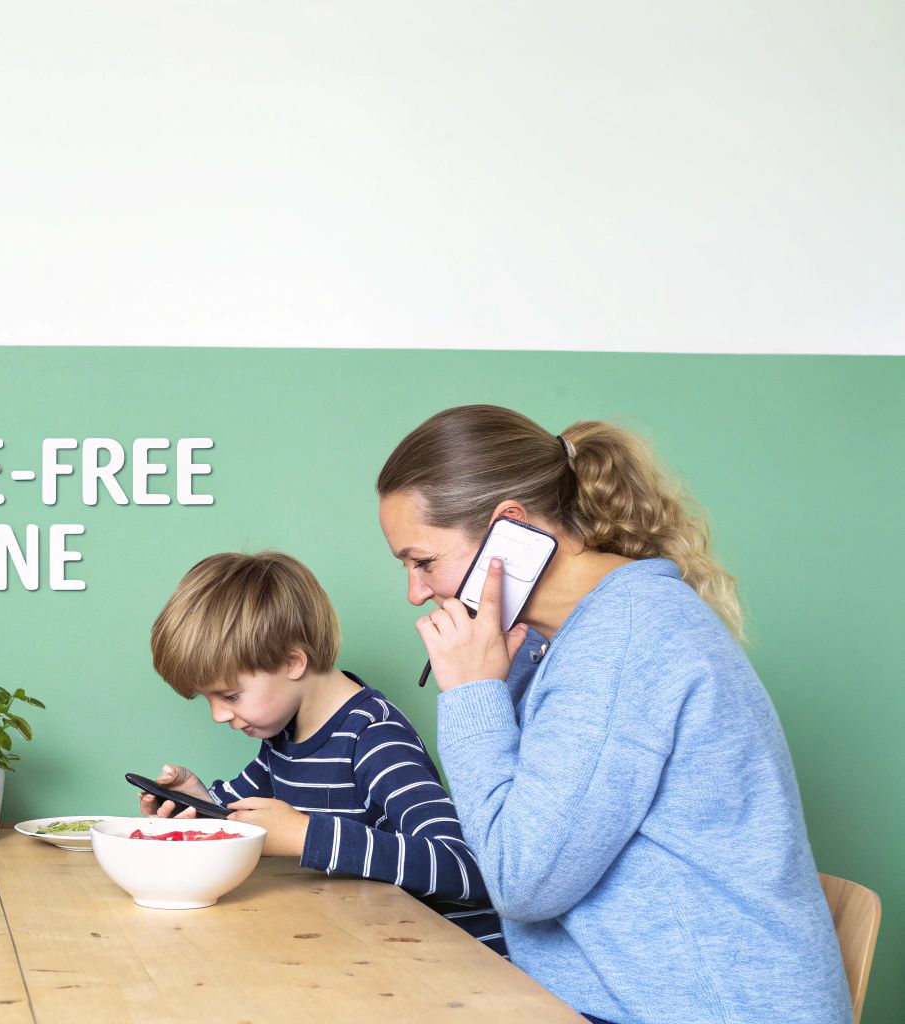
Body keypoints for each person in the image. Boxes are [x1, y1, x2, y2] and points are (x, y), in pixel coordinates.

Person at [376, 404, 849, 1024]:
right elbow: (512, 835)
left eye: (423, 561)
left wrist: (470, 696)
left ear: (508, 529)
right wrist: (496, 679)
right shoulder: (563, 642)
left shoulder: (622, 641)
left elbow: (522, 882)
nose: (415, 592)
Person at [139, 550, 504, 954]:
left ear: (293, 662)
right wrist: (199, 803)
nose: (218, 715)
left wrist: (306, 834)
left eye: (230, 695)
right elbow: (246, 816)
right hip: (363, 946)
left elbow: (465, 867)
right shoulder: (282, 738)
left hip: (450, 961)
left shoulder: (375, 738)